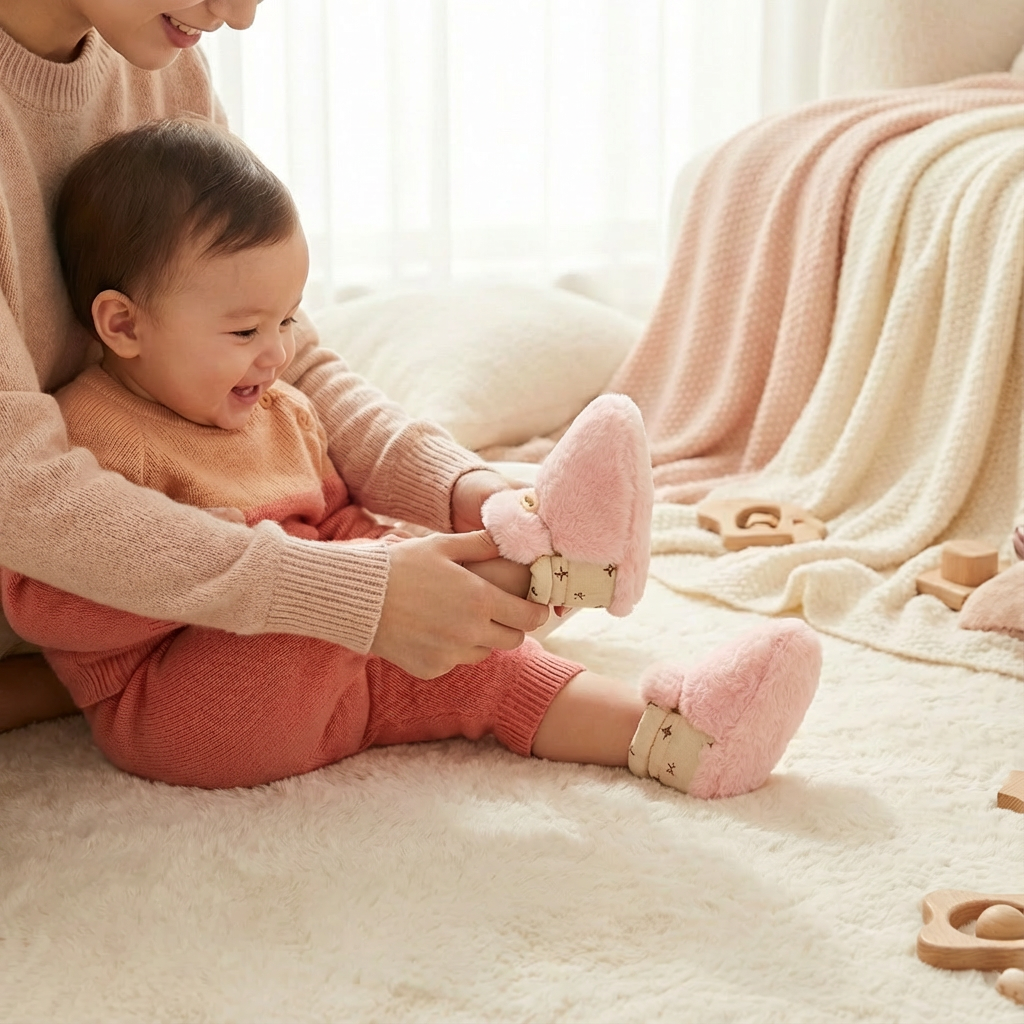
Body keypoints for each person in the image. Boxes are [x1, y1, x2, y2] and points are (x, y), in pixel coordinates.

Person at [2, 118, 823, 795]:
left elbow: (345, 520)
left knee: (485, 669)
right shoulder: (96, 435)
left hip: (318, 659)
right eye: (246, 330)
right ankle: (555, 564)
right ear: (123, 326)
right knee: (388, 598)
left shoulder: (278, 407)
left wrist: (436, 530)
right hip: (181, 703)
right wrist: (327, 574)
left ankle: (680, 739)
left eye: (289, 320)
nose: (277, 353)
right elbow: (51, 599)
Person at [0, 0, 559, 735]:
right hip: (70, 595)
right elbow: (21, 490)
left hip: (153, 602)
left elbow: (283, 359)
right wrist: (344, 596)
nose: (238, 14)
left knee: (480, 601)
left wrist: (463, 489)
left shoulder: (159, 66)